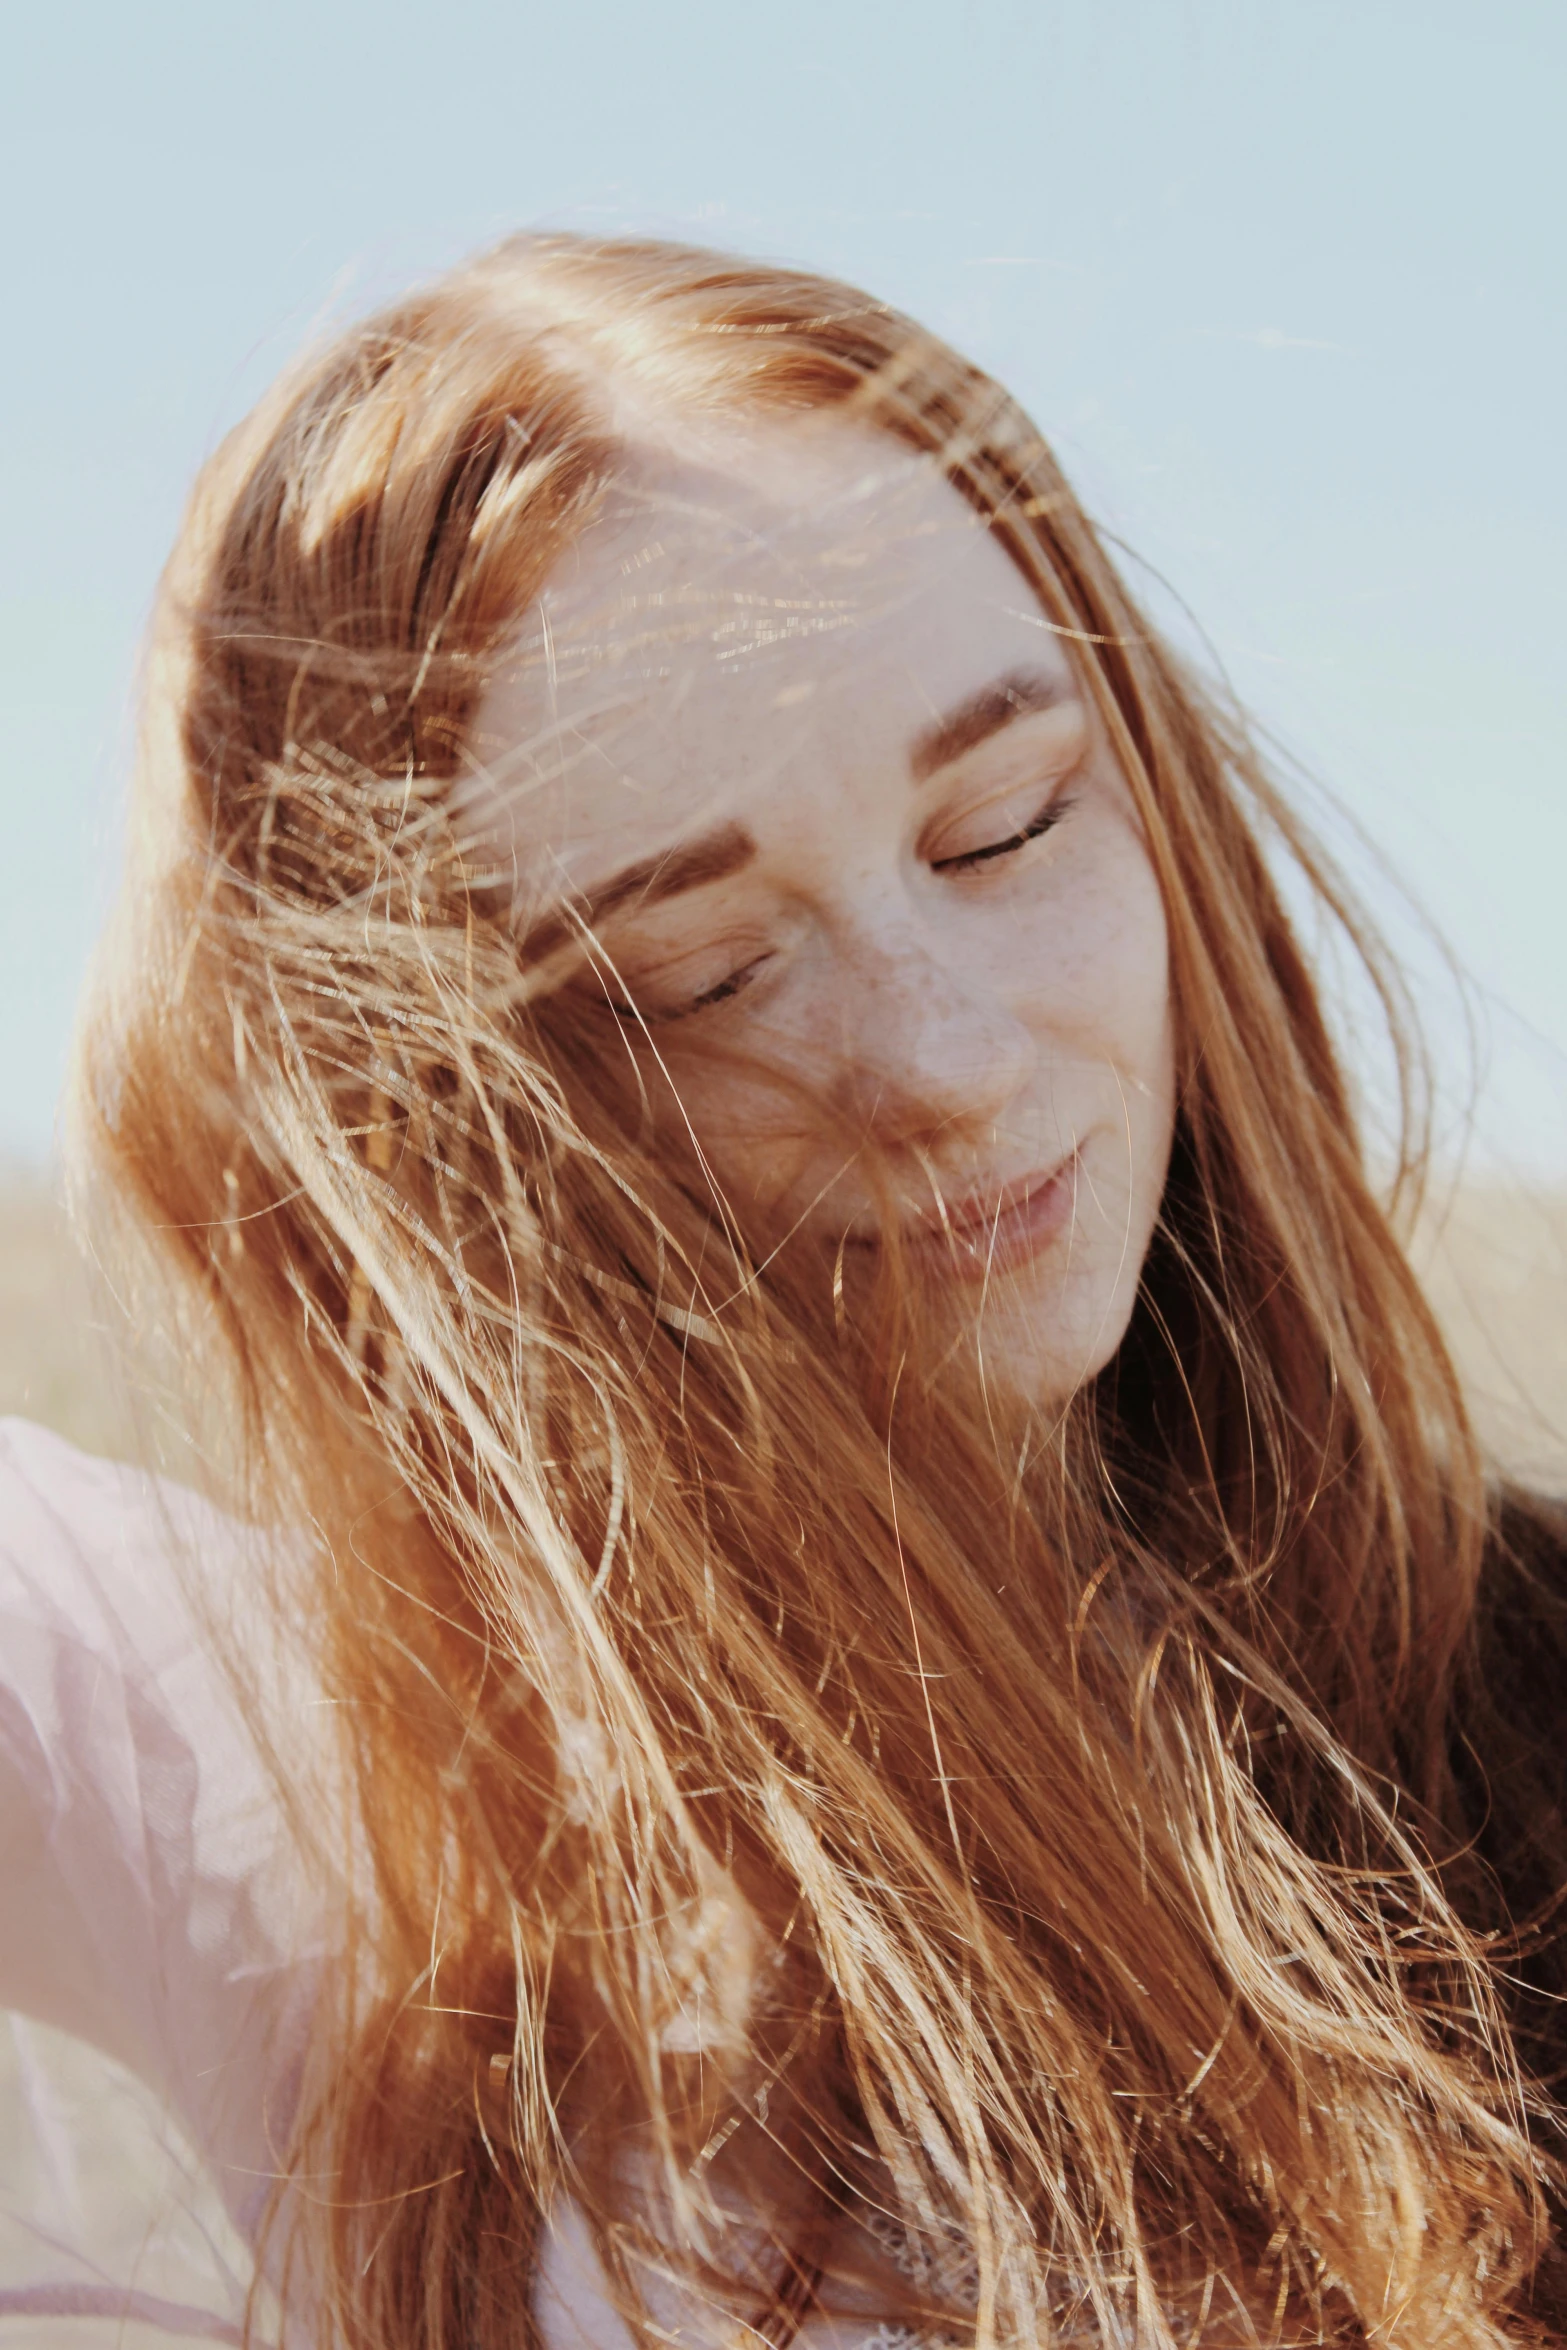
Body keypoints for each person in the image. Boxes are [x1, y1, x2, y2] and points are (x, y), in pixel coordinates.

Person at [2, 232, 1564, 2350]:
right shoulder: (353, 1825)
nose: (943, 1054)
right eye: (703, 979)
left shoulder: (1521, 1713)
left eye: (1002, 827)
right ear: (432, 1139)